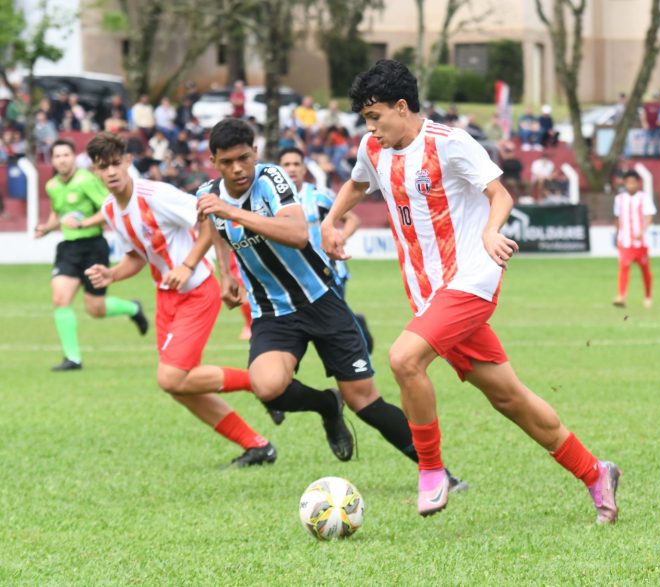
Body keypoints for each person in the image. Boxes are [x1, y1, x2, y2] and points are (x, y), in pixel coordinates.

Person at [321, 59, 620, 521]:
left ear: (402, 107)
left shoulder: (451, 144)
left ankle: (432, 469)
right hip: (428, 296)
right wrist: (331, 220)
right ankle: (595, 472)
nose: (370, 127)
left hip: (470, 280)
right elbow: (358, 183)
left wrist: (490, 231)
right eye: (365, 118)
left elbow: (499, 195)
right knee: (509, 398)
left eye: (376, 115)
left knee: (403, 358)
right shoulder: (373, 148)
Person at [196, 118, 467, 488]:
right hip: (272, 311)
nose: (238, 168)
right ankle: (326, 404)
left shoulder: (272, 179)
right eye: (227, 162)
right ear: (213, 161)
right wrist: (226, 274)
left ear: (255, 153)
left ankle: (437, 473)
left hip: (320, 300)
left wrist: (235, 213)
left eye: (244, 158)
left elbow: (294, 233)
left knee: (364, 399)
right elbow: (215, 228)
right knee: (267, 386)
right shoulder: (209, 195)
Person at [83, 132, 277, 468]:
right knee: (179, 387)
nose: (112, 171)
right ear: (95, 172)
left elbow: (210, 222)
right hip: (166, 297)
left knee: (171, 378)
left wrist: (187, 265)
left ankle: (261, 385)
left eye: (117, 163)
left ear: (128, 162)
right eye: (104, 167)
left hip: (197, 292)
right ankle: (256, 444)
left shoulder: (156, 195)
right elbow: (137, 256)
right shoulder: (111, 210)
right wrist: (112, 274)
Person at [33, 139, 148, 371]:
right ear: (53, 160)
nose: (62, 159)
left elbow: (108, 209)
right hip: (68, 248)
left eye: (66, 154)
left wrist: (83, 223)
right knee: (59, 299)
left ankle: (133, 308)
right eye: (57, 156)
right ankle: (73, 358)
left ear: (74, 157)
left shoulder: (87, 180)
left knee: (94, 308)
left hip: (93, 246)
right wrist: (46, 227)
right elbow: (58, 214)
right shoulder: (52, 185)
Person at [278, 146, 374, 351]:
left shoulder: (319, 196)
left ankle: (358, 348)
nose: (292, 169)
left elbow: (352, 220)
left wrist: (339, 238)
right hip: (296, 274)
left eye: (296, 164)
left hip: (328, 270)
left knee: (335, 320)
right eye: (287, 165)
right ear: (279, 169)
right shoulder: (274, 201)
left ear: (305, 169)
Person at [612, 170, 655, 309]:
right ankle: (621, 296)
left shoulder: (644, 197)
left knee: (645, 269)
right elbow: (617, 218)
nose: (631, 185)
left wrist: (642, 231)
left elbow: (649, 216)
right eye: (628, 183)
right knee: (624, 266)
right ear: (624, 183)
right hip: (624, 240)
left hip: (640, 241)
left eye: (633, 182)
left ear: (638, 183)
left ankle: (648, 296)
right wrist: (617, 233)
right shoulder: (619, 199)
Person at [641, 91, 660, 157]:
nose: (655, 98)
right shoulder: (647, 105)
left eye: (656, 97)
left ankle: (656, 156)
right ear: (652, 97)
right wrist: (644, 123)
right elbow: (643, 114)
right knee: (646, 142)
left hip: (656, 126)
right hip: (648, 126)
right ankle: (645, 156)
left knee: (657, 142)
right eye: (654, 97)